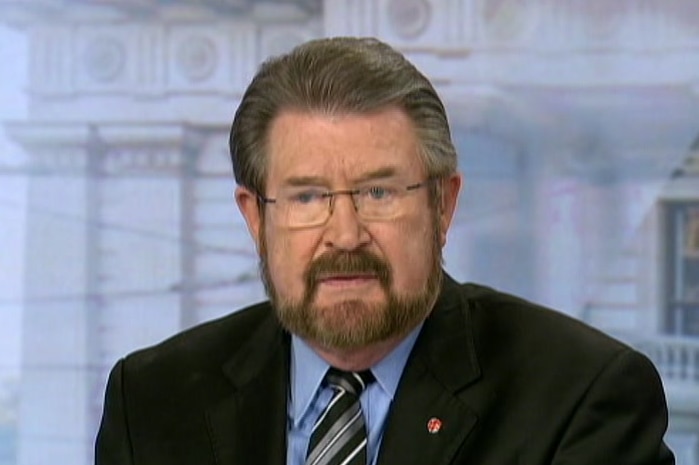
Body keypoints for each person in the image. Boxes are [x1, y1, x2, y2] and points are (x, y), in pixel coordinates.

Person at [95, 37, 675, 465]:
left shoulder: (582, 398)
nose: (345, 234)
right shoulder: (151, 400)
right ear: (256, 217)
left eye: (378, 192)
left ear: (442, 207)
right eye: (307, 196)